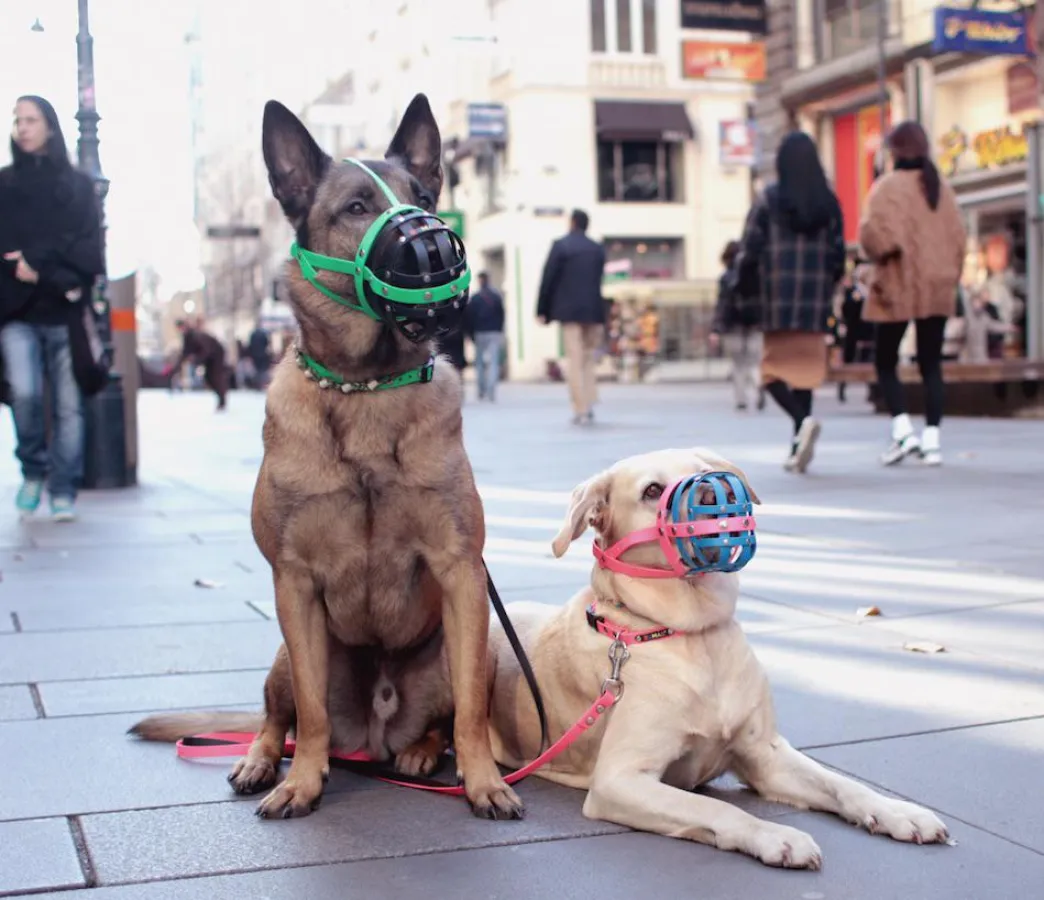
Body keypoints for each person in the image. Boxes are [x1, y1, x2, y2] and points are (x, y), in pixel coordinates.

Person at [0, 95, 104, 521]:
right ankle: (33, 470)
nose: (22, 127)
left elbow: (88, 252)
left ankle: (63, 488)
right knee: (24, 395)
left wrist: (38, 266)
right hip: (16, 312)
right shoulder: (4, 185)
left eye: (31, 119)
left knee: (68, 408)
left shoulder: (77, 186)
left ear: (49, 125)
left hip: (65, 312)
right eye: (17, 120)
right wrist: (30, 265)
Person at [733, 132, 846, 473]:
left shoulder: (769, 200)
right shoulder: (829, 203)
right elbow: (838, 254)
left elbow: (750, 249)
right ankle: (799, 442)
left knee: (771, 373)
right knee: (804, 375)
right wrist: (827, 287)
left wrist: (743, 285)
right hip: (814, 302)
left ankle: (802, 423)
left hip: (777, 300)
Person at [859, 120, 967, 467]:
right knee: (931, 363)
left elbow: (875, 238)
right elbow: (959, 240)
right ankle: (932, 440)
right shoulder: (941, 188)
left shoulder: (887, 188)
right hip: (937, 286)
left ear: (895, 151)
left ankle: (903, 431)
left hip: (897, 285)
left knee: (885, 360)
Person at [536, 209, 607, 425]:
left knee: (574, 359)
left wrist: (542, 310)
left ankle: (580, 408)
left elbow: (548, 278)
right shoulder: (597, 248)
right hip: (593, 311)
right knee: (588, 357)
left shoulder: (561, 246)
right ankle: (590, 400)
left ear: (573, 222)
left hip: (569, 312)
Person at [710, 239, 764, 412]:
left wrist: (716, 328)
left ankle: (741, 399)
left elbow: (722, 304)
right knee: (754, 361)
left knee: (738, 363)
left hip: (733, 323)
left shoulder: (726, 277)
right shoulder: (757, 275)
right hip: (755, 322)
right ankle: (758, 385)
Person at [169, 319, 229, 410]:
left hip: (216, 354)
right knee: (208, 378)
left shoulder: (195, 335)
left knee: (215, 377)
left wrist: (196, 359)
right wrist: (176, 368)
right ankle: (221, 398)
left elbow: (205, 349)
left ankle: (222, 400)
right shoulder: (187, 337)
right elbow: (185, 354)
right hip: (209, 356)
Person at [463, 271, 505, 401]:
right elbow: (501, 315)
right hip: (494, 332)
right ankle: (491, 390)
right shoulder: (496, 297)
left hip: (479, 332)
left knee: (480, 363)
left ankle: (482, 389)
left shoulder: (475, 298)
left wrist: (470, 334)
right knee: (493, 362)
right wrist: (500, 330)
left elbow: (469, 317)